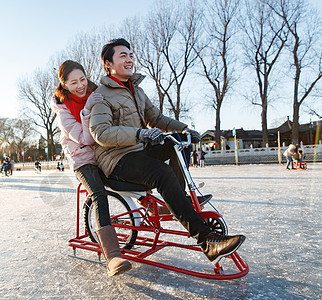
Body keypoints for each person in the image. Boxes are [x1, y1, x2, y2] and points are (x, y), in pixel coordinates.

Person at [89, 38, 245, 264]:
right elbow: (101, 132)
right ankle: (207, 241)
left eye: (131, 55)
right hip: (116, 159)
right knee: (162, 172)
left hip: (138, 150)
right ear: (108, 64)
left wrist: (185, 129)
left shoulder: (137, 90)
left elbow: (157, 118)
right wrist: (139, 134)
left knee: (177, 143)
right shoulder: (102, 95)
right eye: (123, 56)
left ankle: (177, 199)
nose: (130, 59)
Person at [51, 60, 131, 276]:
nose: (80, 85)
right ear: (64, 85)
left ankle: (151, 204)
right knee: (99, 194)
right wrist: (87, 110)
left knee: (128, 171)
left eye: (83, 79)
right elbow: (86, 139)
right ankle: (112, 256)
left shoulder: (96, 93)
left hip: (104, 152)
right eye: (74, 82)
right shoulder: (64, 112)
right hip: (83, 159)